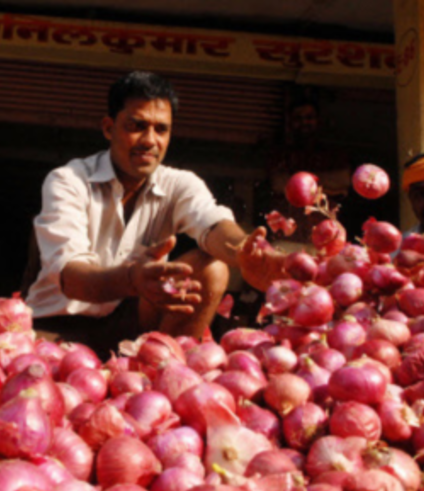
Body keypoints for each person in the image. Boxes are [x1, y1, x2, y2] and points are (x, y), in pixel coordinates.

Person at [25, 71, 285, 357]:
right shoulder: (68, 180)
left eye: (161, 130)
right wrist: (132, 279)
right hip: (56, 326)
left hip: (132, 325)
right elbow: (73, 278)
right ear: (108, 128)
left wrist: (244, 252)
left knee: (212, 268)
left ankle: (165, 376)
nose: (150, 140)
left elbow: (211, 223)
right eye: (137, 126)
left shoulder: (179, 183)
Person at [263, 95, 353, 247]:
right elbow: (278, 184)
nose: (304, 122)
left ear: (318, 121)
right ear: (290, 123)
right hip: (288, 241)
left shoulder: (333, 154)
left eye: (309, 117)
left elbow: (343, 181)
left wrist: (299, 188)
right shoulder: (281, 153)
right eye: (298, 118)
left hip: (327, 242)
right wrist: (325, 188)